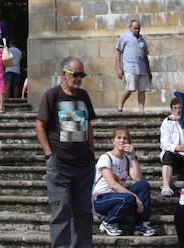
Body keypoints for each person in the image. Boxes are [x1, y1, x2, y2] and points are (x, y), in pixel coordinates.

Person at [35, 56, 97, 248]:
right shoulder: (52, 95)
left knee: (84, 212)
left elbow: (88, 128)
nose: (79, 78)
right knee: (61, 210)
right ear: (64, 74)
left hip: (84, 165)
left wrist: (91, 154)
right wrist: (49, 155)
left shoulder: (83, 96)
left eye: (82, 75)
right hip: (60, 164)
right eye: (76, 74)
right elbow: (40, 126)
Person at [92, 127, 155, 237]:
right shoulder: (106, 158)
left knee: (143, 185)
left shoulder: (127, 159)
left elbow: (137, 178)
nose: (122, 141)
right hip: (101, 199)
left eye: (125, 138)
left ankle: (141, 225)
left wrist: (133, 156)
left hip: (118, 197)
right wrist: (135, 197)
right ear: (113, 141)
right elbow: (112, 184)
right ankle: (107, 222)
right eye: (119, 138)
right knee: (129, 197)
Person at [115, 19, 152, 112]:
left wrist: (149, 72)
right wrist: (119, 69)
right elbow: (118, 54)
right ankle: (120, 105)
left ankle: (141, 110)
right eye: (135, 28)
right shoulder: (124, 37)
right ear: (130, 28)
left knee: (142, 90)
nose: (137, 30)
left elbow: (145, 57)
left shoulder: (142, 40)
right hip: (130, 68)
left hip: (142, 69)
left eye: (138, 28)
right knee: (130, 88)